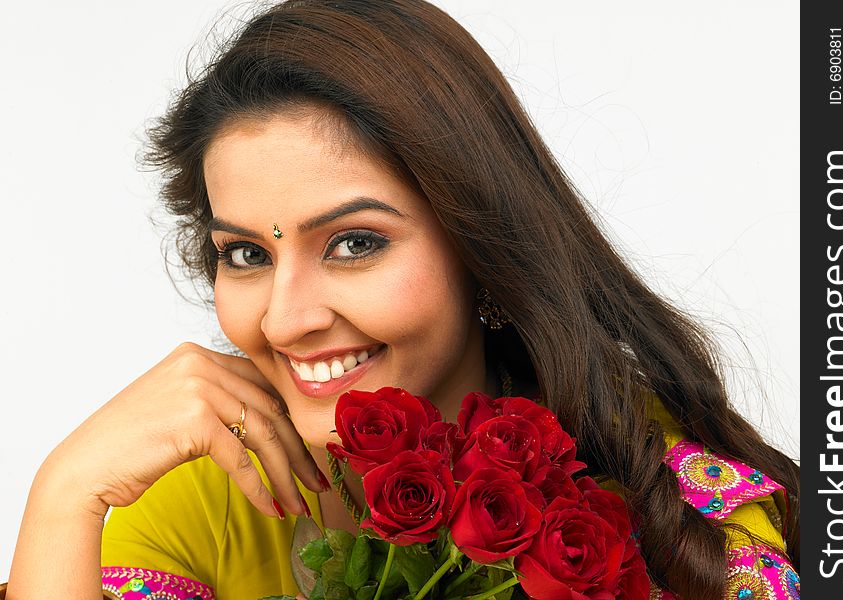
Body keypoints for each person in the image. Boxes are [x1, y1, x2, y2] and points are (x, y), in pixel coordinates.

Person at [3, 1, 799, 598]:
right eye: (245, 254)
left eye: (354, 244)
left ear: (480, 251)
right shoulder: (197, 500)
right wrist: (64, 493)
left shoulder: (666, 501)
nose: (285, 319)